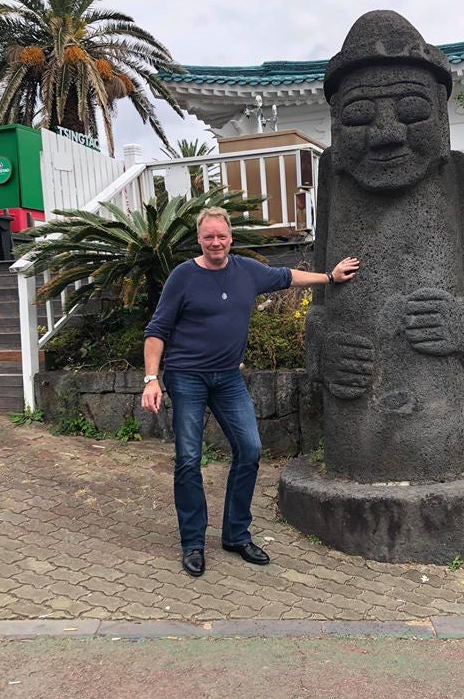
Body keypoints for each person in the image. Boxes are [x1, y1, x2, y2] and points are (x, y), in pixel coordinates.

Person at [142, 206, 359, 577]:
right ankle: (192, 542)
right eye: (209, 236)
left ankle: (235, 534)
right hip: (187, 377)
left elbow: (287, 275)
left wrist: (330, 276)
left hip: (227, 378)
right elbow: (157, 330)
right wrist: (151, 379)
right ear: (199, 238)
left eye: (221, 236)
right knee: (189, 458)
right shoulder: (183, 276)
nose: (216, 242)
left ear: (230, 238)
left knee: (250, 449)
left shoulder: (247, 271)